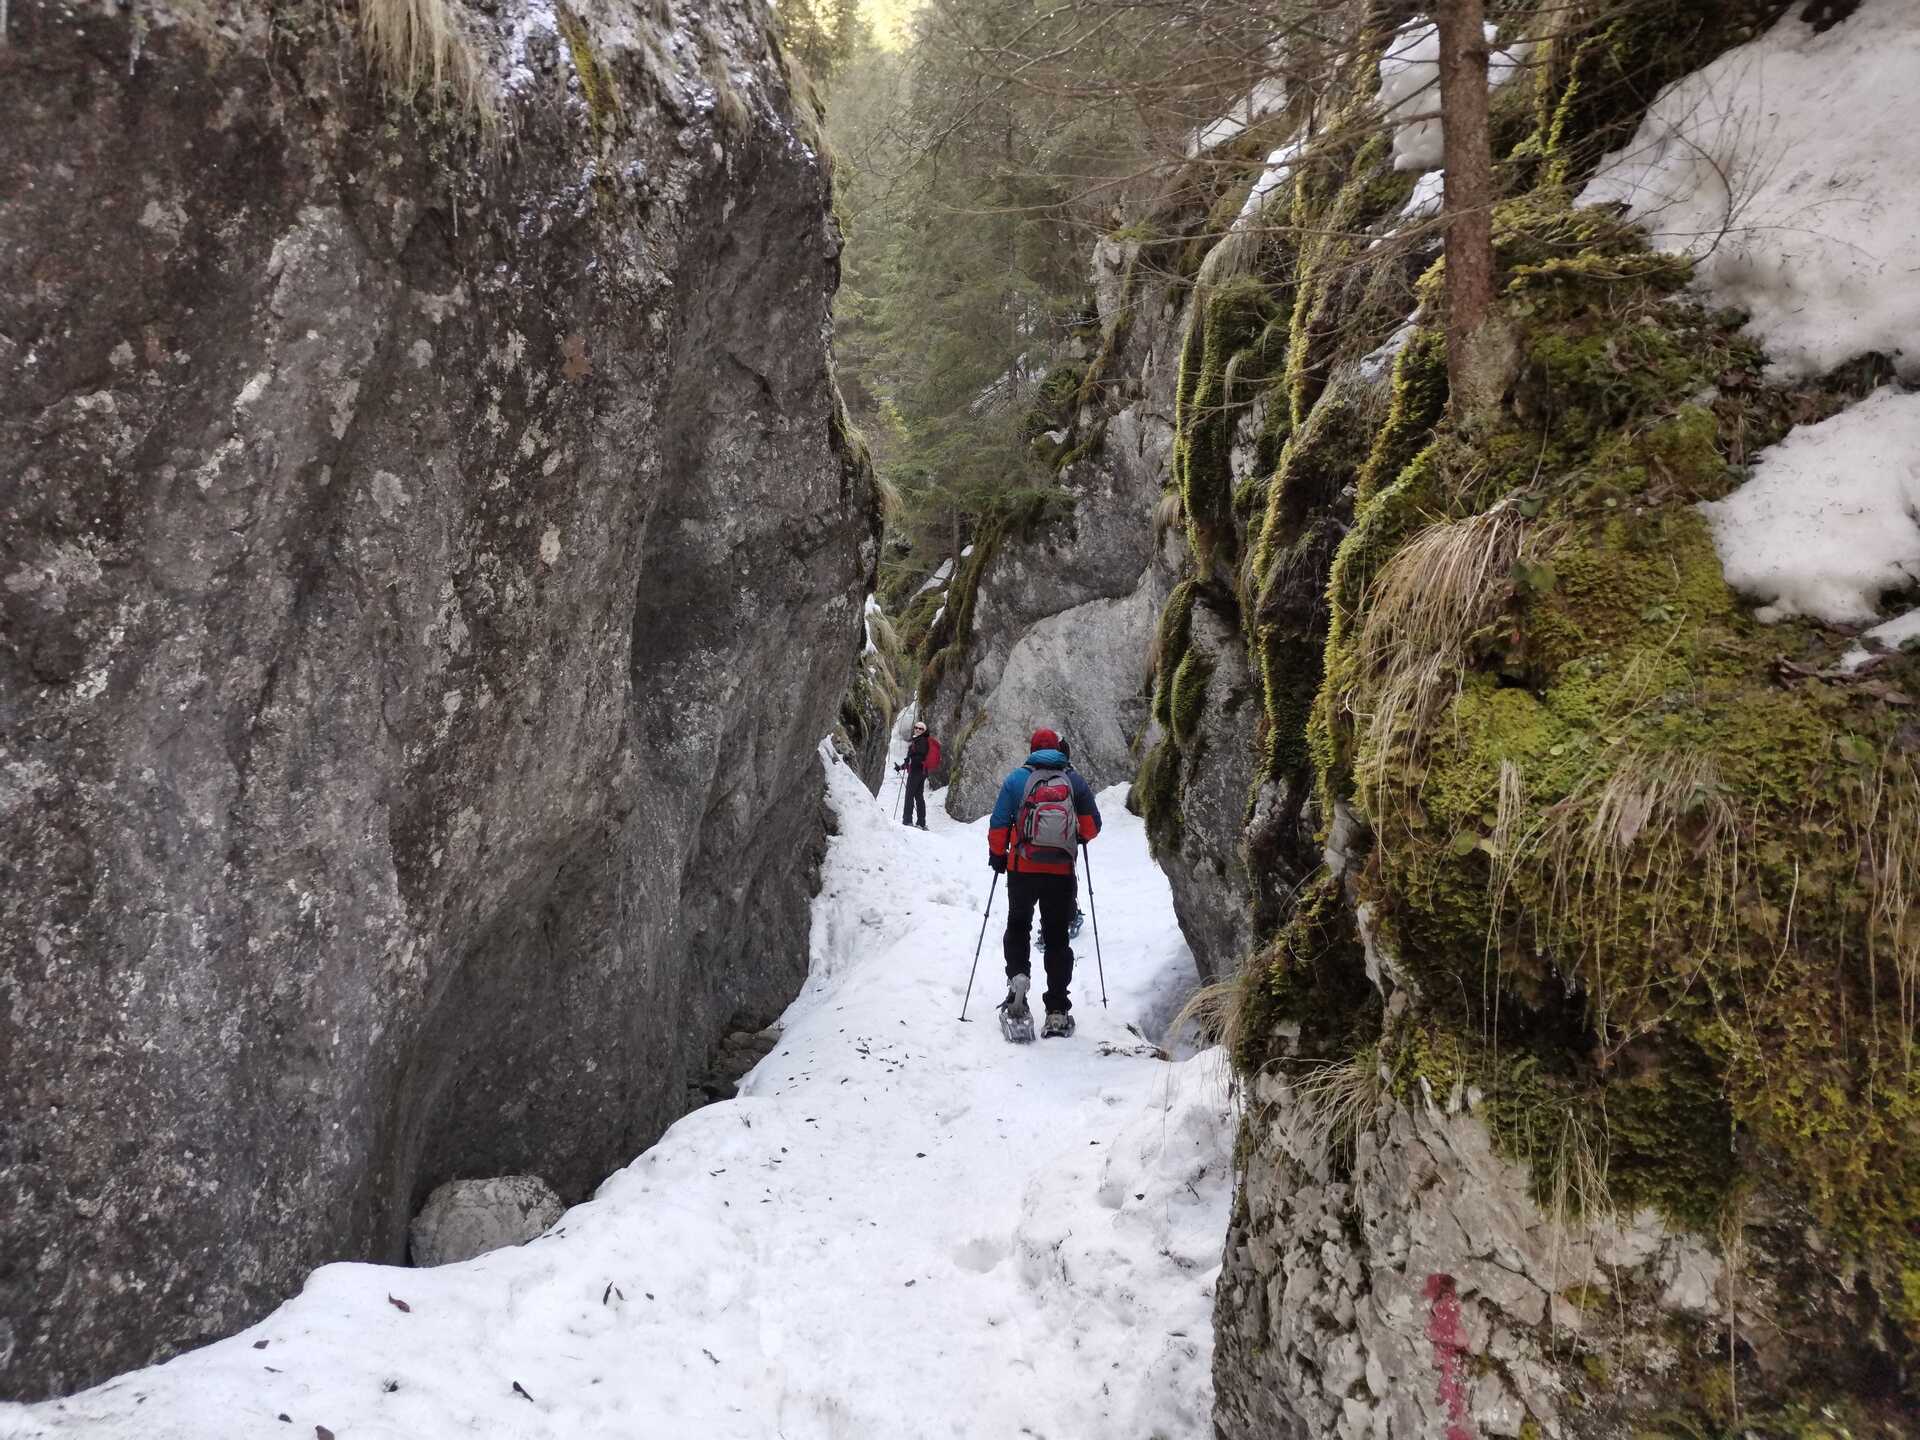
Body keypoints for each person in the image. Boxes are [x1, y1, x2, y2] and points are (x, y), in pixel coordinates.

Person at [988, 727, 1101, 1038]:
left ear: (1032, 749)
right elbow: (1092, 826)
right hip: (1060, 872)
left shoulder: (1016, 780)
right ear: (1058, 749)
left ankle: (1018, 983)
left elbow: (998, 824)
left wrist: (998, 856)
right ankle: (1057, 1009)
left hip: (1022, 869)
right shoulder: (1073, 780)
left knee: (1019, 926)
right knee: (1056, 937)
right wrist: (1073, 836)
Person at [894, 720, 932, 829]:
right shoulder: (919, 740)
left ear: (924, 731)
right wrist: (901, 767)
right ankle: (921, 822)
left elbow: (919, 757)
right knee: (919, 797)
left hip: (916, 772)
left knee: (910, 795)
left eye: (921, 729)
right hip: (922, 772)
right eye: (916, 727)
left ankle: (907, 820)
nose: (918, 730)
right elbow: (913, 759)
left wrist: (910, 759)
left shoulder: (921, 741)